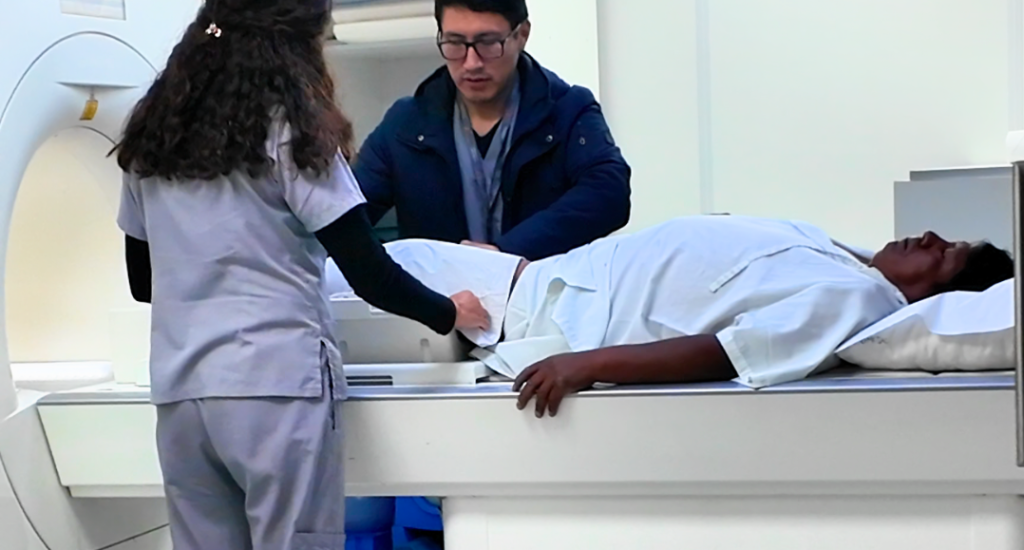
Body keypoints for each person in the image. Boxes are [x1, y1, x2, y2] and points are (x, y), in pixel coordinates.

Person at [110, 0, 490, 550]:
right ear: (300, 32)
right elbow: (368, 271)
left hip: (182, 396)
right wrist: (451, 312)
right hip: (276, 389)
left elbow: (142, 282)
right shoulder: (290, 126)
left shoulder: (152, 130)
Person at [325, 215, 1013, 418]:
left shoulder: (859, 299)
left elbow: (727, 351)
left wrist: (584, 365)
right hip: (520, 278)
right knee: (337, 267)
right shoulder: (844, 260)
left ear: (935, 296)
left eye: (946, 253)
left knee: (329, 277)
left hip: (525, 314)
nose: (930, 236)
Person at [353, 0, 632, 261]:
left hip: (539, 287)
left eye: (488, 43)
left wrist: (505, 254)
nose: (471, 63)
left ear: (521, 35)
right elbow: (346, 213)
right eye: (455, 43)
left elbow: (609, 193)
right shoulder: (406, 125)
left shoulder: (568, 111)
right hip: (439, 291)